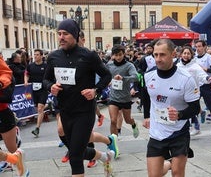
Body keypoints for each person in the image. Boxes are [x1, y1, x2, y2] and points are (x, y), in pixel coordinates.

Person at [43, 19, 113, 177]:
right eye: (59, 34)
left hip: (84, 111)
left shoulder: (88, 55)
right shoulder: (54, 57)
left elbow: (106, 75)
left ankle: (103, 157)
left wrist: (95, 90)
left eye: (65, 34)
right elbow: (46, 80)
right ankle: (104, 157)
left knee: (74, 157)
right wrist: (50, 87)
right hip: (65, 111)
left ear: (74, 35)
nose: (61, 37)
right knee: (77, 151)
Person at [143, 39, 200, 177]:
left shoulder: (186, 79)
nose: (158, 59)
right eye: (155, 55)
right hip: (157, 132)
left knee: (177, 173)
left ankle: (172, 165)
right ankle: (168, 163)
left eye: (162, 54)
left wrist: (179, 114)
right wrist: (146, 116)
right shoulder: (148, 75)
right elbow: (146, 95)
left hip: (178, 132)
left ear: (173, 54)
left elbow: (195, 108)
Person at [0, 56, 29, 176]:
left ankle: (16, 159)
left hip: (1, 112)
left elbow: (6, 73)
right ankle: (12, 159)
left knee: (12, 148)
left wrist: (1, 82)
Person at [106, 44, 139, 144]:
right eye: (116, 55)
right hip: (113, 97)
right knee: (113, 120)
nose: (118, 57)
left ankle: (133, 124)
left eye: (120, 54)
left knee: (127, 120)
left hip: (125, 98)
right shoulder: (109, 65)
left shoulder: (129, 65)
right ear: (113, 55)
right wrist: (108, 81)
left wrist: (123, 78)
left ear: (124, 54)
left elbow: (136, 77)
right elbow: (104, 76)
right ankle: (113, 144)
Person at [177, 46, 210, 136]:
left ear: (191, 55)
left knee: (191, 109)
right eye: (184, 53)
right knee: (184, 110)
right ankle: (188, 126)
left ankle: (196, 127)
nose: (186, 55)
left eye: (188, 53)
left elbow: (202, 76)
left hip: (193, 92)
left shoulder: (195, 66)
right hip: (180, 92)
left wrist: (208, 78)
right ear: (181, 55)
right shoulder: (177, 66)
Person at [195, 40, 211, 134]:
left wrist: (204, 69)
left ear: (204, 47)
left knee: (210, 105)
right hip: (197, 85)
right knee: (193, 104)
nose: (198, 48)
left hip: (207, 84)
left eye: (200, 46)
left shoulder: (209, 57)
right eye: (196, 47)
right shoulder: (194, 58)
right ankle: (196, 126)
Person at [24, 49, 48, 137]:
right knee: (36, 107)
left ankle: (37, 128)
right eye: (34, 55)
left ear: (41, 56)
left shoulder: (46, 66)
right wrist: (26, 81)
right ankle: (48, 105)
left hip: (43, 89)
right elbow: (26, 74)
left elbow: (50, 75)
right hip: (33, 89)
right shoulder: (30, 66)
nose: (35, 56)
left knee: (40, 108)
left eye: (37, 55)